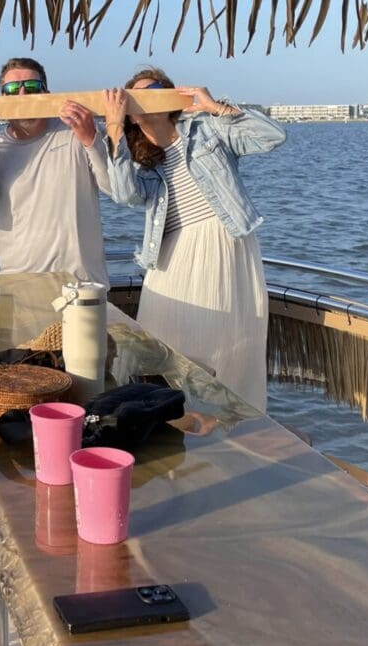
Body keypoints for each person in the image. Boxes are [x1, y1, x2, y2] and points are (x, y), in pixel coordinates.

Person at [102, 68, 285, 411]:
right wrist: (114, 127)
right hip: (171, 255)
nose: (149, 97)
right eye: (138, 95)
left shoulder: (205, 129)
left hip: (224, 244)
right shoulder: (139, 157)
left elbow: (272, 136)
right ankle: (169, 421)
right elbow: (124, 193)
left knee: (226, 344)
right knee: (161, 343)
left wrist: (215, 106)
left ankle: (229, 428)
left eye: (156, 89)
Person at [0, 57, 111, 285]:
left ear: (47, 93)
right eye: (12, 89)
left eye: (32, 87)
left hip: (81, 284)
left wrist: (90, 138)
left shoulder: (77, 132)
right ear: (1, 98)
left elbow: (113, 187)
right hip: (16, 283)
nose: (23, 96)